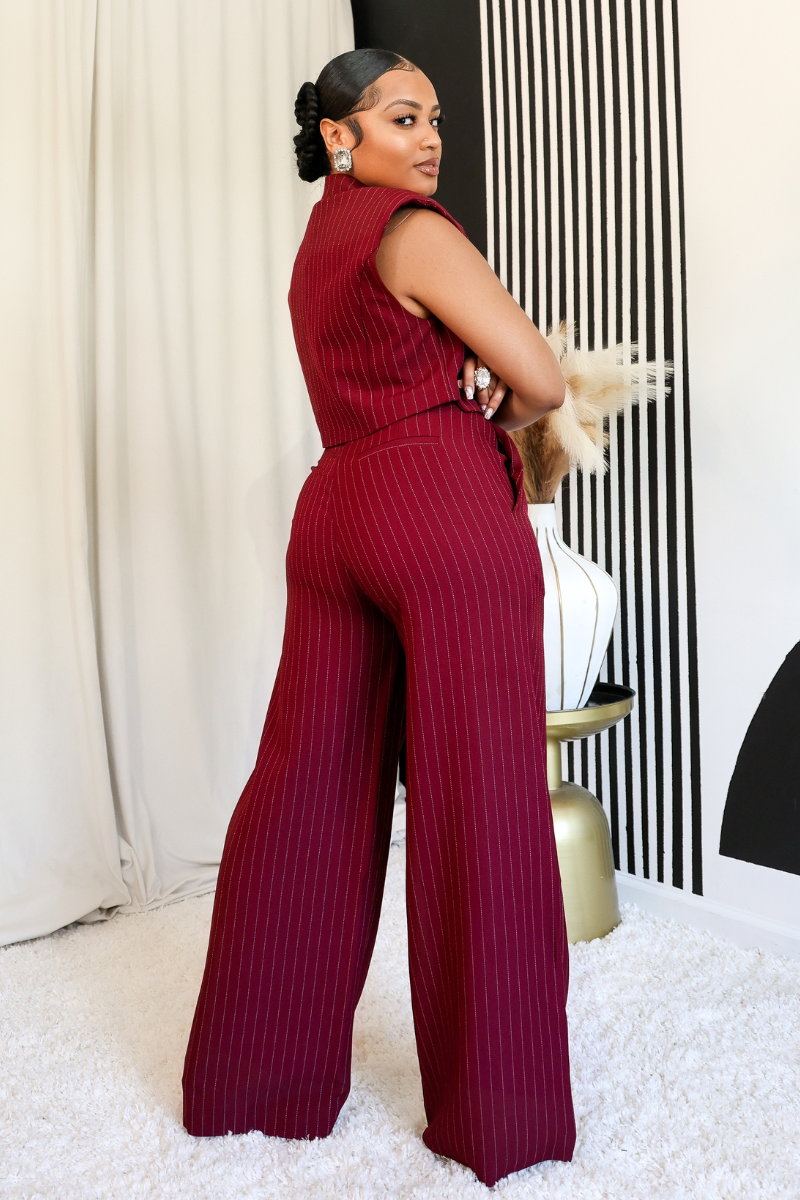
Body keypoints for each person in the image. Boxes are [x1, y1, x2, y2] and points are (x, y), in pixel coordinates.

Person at [182, 48, 576, 1188]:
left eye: (434, 118)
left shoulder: (319, 247)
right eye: (403, 117)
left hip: (335, 514)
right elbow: (542, 379)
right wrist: (493, 394)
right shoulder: (415, 230)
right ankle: (499, 1118)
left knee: (304, 793)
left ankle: (254, 1083)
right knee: (480, 806)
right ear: (340, 136)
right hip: (438, 513)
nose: (429, 136)